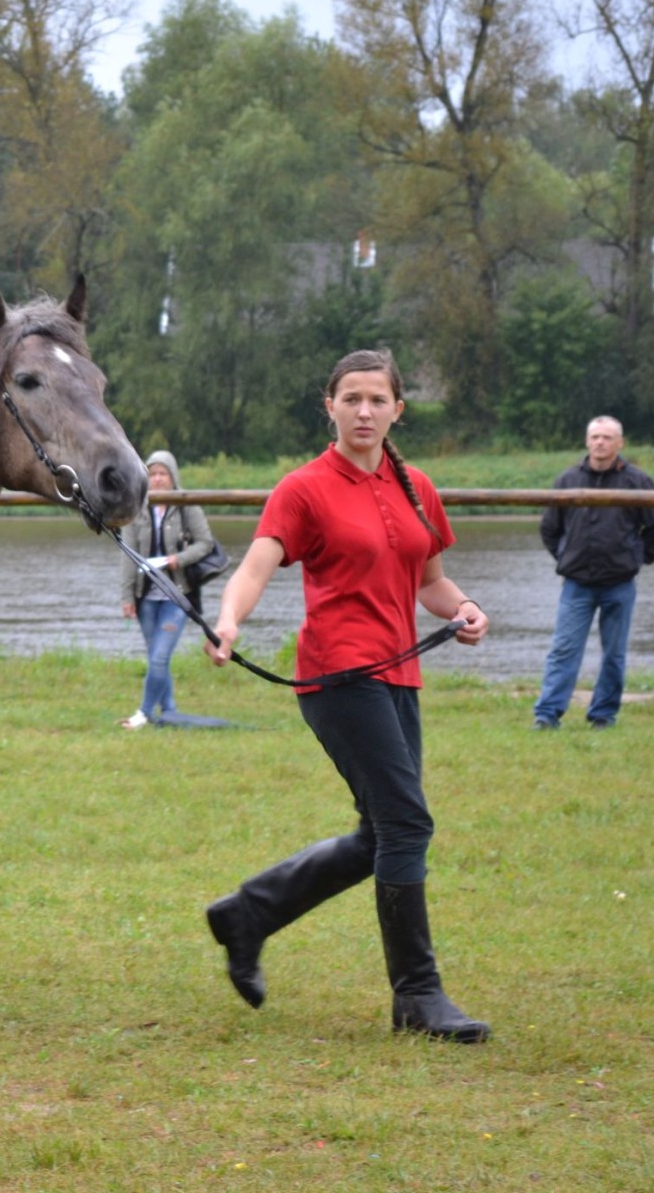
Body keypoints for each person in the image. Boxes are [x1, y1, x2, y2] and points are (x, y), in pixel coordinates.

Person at [201, 350, 492, 1043]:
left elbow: (430, 583)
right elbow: (257, 565)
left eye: (377, 400)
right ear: (328, 406)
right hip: (338, 675)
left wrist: (465, 608)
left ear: (398, 410)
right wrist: (229, 620)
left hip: (400, 675)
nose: (364, 411)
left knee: (381, 834)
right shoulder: (302, 489)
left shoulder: (416, 487)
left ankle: (248, 913)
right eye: (351, 399)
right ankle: (417, 995)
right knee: (407, 823)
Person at [532, 415, 654, 732]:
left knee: (614, 654)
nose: (600, 442)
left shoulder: (638, 481)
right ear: (587, 441)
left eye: (607, 437)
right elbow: (549, 528)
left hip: (619, 583)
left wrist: (638, 558)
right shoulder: (567, 480)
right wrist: (566, 557)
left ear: (620, 443)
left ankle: (603, 715)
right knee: (563, 650)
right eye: (595, 436)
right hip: (576, 583)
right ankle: (547, 715)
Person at [117, 449, 215, 729]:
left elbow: (205, 543)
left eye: (163, 473)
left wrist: (177, 559)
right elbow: (127, 554)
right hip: (146, 597)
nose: (158, 479)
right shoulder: (136, 508)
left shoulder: (187, 506)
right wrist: (126, 596)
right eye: (152, 474)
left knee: (160, 657)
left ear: (173, 477)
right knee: (155, 657)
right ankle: (169, 710)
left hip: (177, 596)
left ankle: (144, 713)